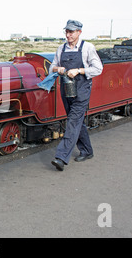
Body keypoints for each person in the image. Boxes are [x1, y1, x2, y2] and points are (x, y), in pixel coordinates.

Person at [49, 19, 103, 171]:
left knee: (73, 121)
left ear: (79, 32)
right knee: (77, 121)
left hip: (82, 89)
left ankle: (61, 157)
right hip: (66, 89)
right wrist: (57, 69)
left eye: (71, 32)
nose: (68, 35)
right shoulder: (61, 49)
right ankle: (87, 150)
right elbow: (51, 67)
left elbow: (98, 68)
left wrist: (79, 70)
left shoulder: (88, 48)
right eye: (66, 31)